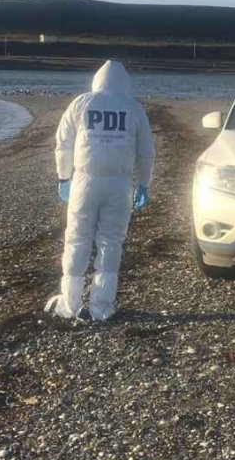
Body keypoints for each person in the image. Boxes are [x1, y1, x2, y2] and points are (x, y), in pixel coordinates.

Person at [44, 60, 155, 321]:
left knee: (77, 239)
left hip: (84, 181)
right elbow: (146, 152)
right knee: (111, 242)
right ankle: (101, 307)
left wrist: (63, 177)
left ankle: (70, 304)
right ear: (124, 82)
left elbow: (63, 143)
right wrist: (144, 183)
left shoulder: (82, 103)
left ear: (97, 79)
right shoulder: (133, 108)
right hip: (120, 184)